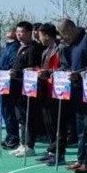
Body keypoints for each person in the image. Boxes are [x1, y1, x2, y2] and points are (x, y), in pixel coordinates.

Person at [55, 19, 87, 169]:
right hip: (76, 90)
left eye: (65, 33)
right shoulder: (71, 44)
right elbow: (68, 65)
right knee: (80, 127)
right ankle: (80, 159)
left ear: (71, 28)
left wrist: (78, 74)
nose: (64, 37)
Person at [9, 22, 44, 158]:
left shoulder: (33, 48)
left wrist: (17, 73)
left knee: (29, 117)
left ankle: (30, 145)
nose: (19, 34)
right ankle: (22, 143)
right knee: (21, 118)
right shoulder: (20, 47)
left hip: (28, 88)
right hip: (17, 88)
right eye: (17, 32)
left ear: (30, 33)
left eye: (22, 32)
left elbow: (31, 69)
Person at [36, 23, 63, 163]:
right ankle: (51, 150)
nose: (39, 38)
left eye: (40, 35)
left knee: (57, 123)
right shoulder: (45, 51)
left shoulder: (60, 48)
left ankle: (59, 153)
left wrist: (48, 73)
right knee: (48, 122)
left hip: (57, 90)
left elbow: (64, 68)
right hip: (45, 90)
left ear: (46, 35)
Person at [0, 29, 20, 149]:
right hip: (2, 82)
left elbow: (11, 65)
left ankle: (13, 138)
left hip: (9, 83)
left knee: (10, 113)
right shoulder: (7, 48)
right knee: (6, 112)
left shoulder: (14, 48)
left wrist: (1, 69)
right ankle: (9, 136)